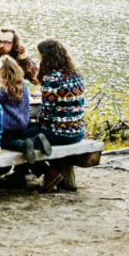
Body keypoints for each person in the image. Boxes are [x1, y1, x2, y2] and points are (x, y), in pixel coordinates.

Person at [35, 38, 88, 192]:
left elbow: (46, 115)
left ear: (46, 57)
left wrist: (38, 125)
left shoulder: (51, 78)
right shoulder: (77, 74)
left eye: (40, 55)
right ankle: (51, 174)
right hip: (78, 131)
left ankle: (49, 173)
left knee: (20, 139)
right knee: (31, 135)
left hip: (60, 133)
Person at [0, 56, 49, 164]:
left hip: (8, 126)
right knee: (17, 138)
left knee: (4, 142)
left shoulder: (3, 87)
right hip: (22, 123)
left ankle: (23, 145)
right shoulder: (23, 83)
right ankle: (35, 141)